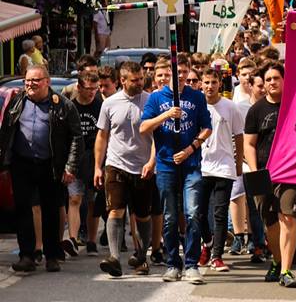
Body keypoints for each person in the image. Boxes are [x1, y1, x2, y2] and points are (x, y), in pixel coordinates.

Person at [0, 64, 83, 274]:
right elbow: (5, 132)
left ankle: (52, 256)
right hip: (22, 163)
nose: (30, 84)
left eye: (35, 81)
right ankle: (27, 256)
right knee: (23, 210)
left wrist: (70, 166)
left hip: (50, 164)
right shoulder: (16, 102)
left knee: (50, 211)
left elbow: (76, 137)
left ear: (47, 82)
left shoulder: (63, 105)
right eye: (27, 81)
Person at [140, 57, 212, 283]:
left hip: (191, 164)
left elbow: (207, 128)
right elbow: (143, 127)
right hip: (165, 164)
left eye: (183, 71)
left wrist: (191, 149)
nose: (180, 75)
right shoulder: (156, 97)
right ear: (168, 73)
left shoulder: (197, 96)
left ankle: (191, 264)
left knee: (192, 213)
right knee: (170, 217)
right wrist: (165, 115)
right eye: (176, 71)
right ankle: (173, 263)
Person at [244, 62, 296, 289]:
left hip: (293, 172)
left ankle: (286, 270)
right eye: (268, 79)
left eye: (276, 78)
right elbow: (249, 144)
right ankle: (278, 260)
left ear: (284, 80)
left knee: (288, 217)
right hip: (264, 173)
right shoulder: (256, 111)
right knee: (270, 223)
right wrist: (255, 170)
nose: (272, 82)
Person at [94, 60, 155, 278]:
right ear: (123, 80)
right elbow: (102, 136)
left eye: (141, 79)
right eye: (135, 80)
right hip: (116, 164)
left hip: (143, 167)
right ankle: (114, 258)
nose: (140, 83)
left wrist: (152, 162)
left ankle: (141, 254)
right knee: (115, 210)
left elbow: (158, 136)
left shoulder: (151, 101)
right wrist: (97, 167)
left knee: (143, 215)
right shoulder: (109, 104)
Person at [198, 67, 245, 271]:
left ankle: (217, 256)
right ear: (201, 83)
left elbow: (239, 135)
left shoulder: (230, 107)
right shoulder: (197, 105)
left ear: (219, 84)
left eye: (213, 82)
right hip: (201, 166)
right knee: (197, 212)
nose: (210, 86)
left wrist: (237, 163)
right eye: (206, 82)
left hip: (224, 166)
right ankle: (207, 243)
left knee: (219, 213)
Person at [63, 71, 102, 257]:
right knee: (74, 199)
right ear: (78, 87)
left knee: (93, 201)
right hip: (76, 159)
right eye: (88, 89)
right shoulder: (70, 107)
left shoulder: (100, 105)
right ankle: (72, 238)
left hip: (95, 159)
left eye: (95, 88)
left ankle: (92, 240)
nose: (92, 92)